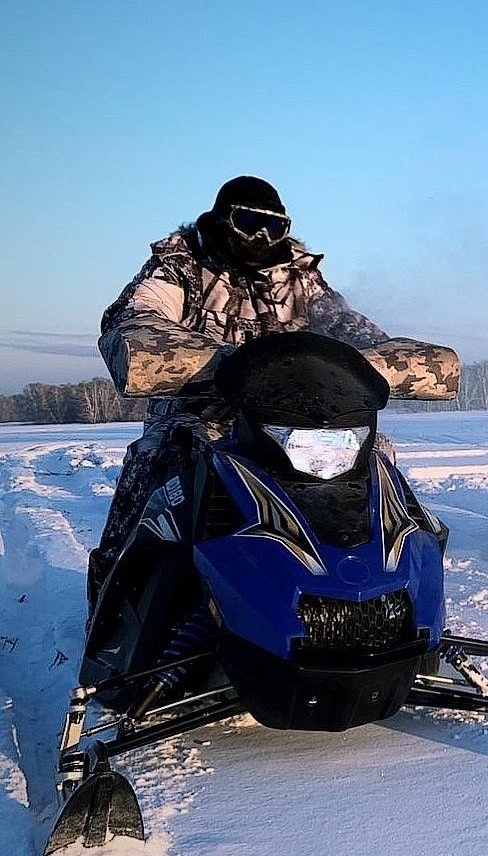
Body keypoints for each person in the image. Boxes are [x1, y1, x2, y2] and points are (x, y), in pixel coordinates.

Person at [88, 175, 390, 610]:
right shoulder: (182, 264)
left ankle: (374, 585)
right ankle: (115, 598)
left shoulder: (299, 278)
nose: (262, 237)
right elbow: (140, 310)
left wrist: (384, 355)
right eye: (249, 222)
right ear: (221, 220)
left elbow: (347, 325)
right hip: (197, 414)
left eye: (275, 226)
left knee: (373, 453)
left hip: (294, 418)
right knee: (157, 459)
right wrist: (150, 339)